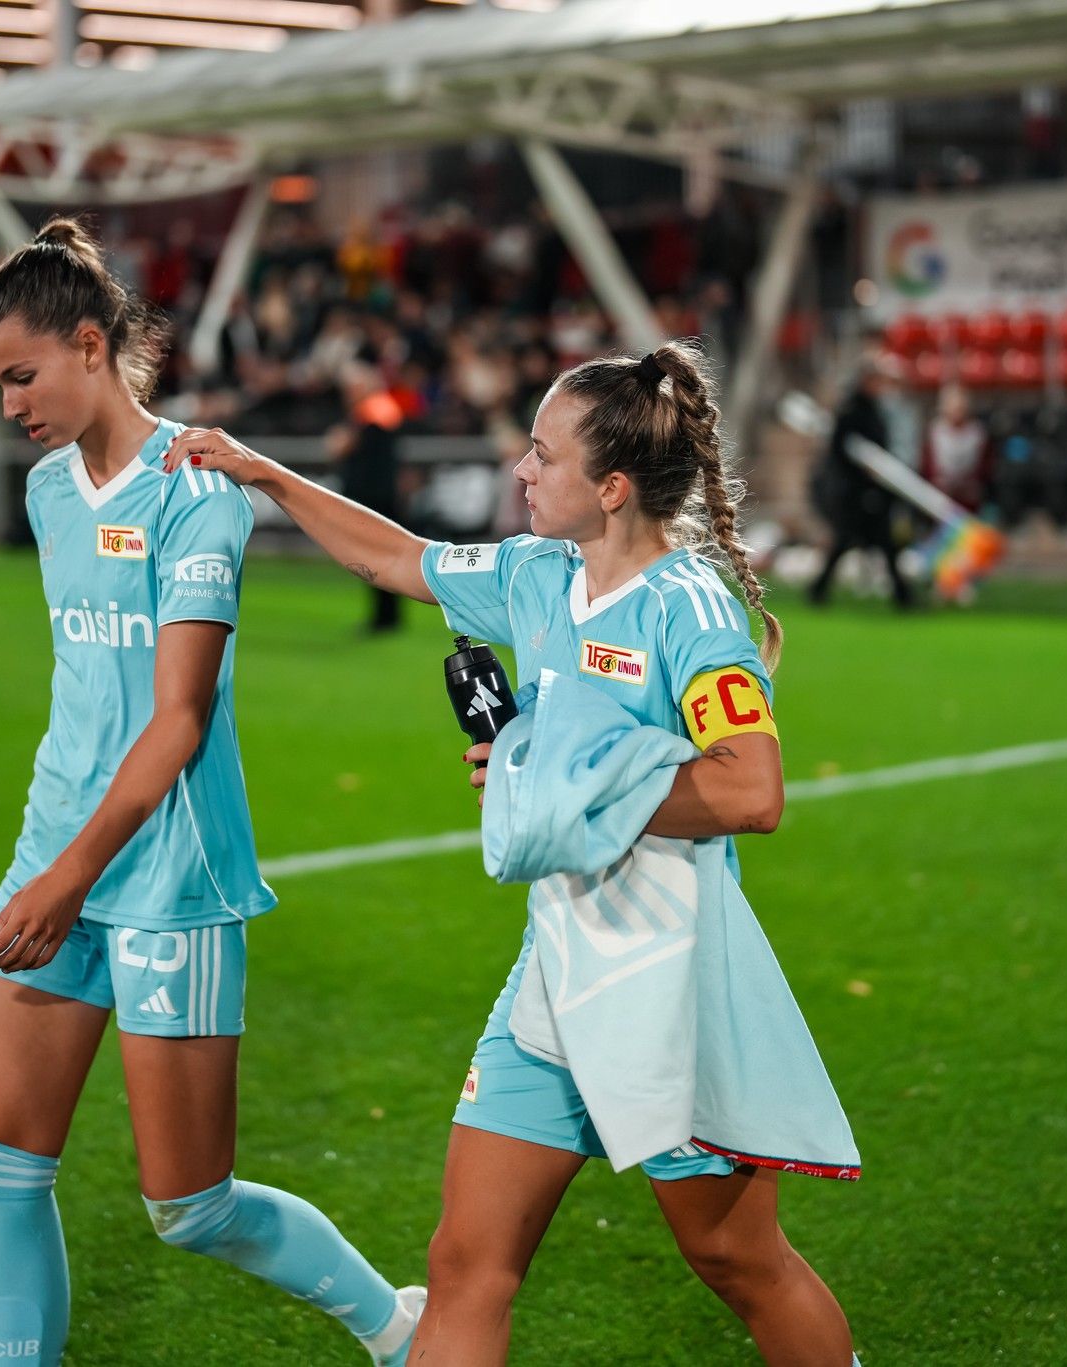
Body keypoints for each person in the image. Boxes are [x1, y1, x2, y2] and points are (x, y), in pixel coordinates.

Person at [163, 341, 860, 1367]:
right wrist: (262, 472)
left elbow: (751, 790)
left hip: (666, 987)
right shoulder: (538, 574)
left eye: (543, 455)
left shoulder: (688, 607)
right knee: (464, 1261)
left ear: (613, 487)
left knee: (735, 1260)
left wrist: (565, 788)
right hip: (553, 976)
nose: (520, 472)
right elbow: (396, 559)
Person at [0, 217, 424, 1367]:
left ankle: (399, 1327)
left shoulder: (197, 489)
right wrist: (50, 862)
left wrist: (73, 878)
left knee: (190, 1205)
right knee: (4, 1168)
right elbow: (87, 689)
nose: (11, 404)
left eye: (23, 376)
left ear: (87, 344)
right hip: (53, 850)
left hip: (168, 875)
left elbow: (177, 718)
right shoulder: (46, 493)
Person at [809, 355, 914, 608]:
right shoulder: (851, 411)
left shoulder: (876, 411)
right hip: (853, 492)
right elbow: (840, 451)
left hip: (872, 490)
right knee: (849, 542)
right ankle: (819, 590)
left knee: (883, 545)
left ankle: (902, 595)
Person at [325, 361, 405, 631]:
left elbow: (340, 445)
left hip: (377, 498)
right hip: (373, 496)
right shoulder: (371, 411)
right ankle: (385, 616)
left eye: (352, 387)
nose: (348, 393)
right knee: (376, 558)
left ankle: (386, 618)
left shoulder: (375, 410)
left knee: (379, 558)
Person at [921, 383, 991, 514]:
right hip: (941, 496)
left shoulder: (977, 432)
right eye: (953, 407)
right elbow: (927, 466)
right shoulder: (935, 431)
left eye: (960, 407)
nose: (957, 411)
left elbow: (985, 466)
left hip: (969, 497)